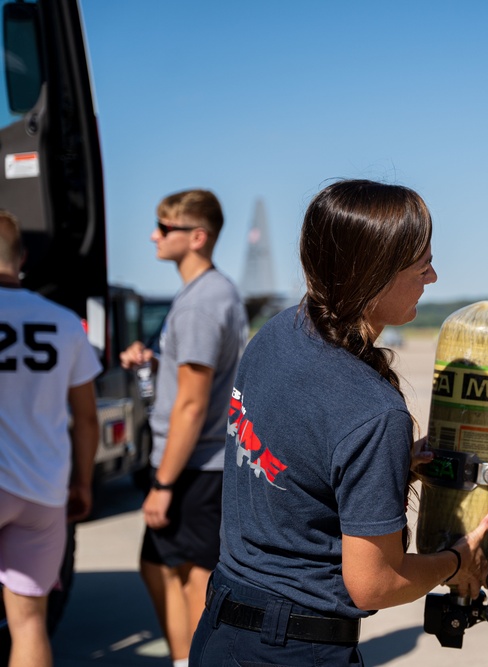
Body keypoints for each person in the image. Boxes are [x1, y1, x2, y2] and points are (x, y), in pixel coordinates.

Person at [189, 179, 488, 666]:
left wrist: (388, 468)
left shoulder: (277, 334)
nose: (433, 277)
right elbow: (373, 584)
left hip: (221, 630)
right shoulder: (373, 411)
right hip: (294, 649)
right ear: (374, 276)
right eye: (422, 266)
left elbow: (294, 464)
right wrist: (459, 562)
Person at [119, 189, 248, 667]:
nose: (154, 235)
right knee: (158, 567)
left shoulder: (199, 304)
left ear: (197, 237)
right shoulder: (208, 293)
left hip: (195, 467)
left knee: (195, 581)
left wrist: (163, 484)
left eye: (164, 227)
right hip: (199, 463)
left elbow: (192, 406)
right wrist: (154, 362)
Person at [0, 210, 101, 667]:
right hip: (43, 492)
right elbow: (85, 419)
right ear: (21, 257)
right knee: (29, 623)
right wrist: (82, 484)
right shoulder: (63, 323)